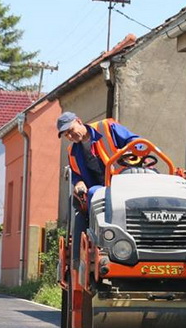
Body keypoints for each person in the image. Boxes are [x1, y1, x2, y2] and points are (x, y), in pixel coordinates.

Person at [57, 111, 142, 265]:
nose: (70, 136)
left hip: (127, 182)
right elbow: (76, 175)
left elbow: (136, 142)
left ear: (79, 121)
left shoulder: (107, 128)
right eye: (66, 135)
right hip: (100, 190)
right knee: (85, 197)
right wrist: (78, 183)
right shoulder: (73, 152)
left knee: (94, 193)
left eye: (70, 131)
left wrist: (131, 153)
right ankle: (85, 250)